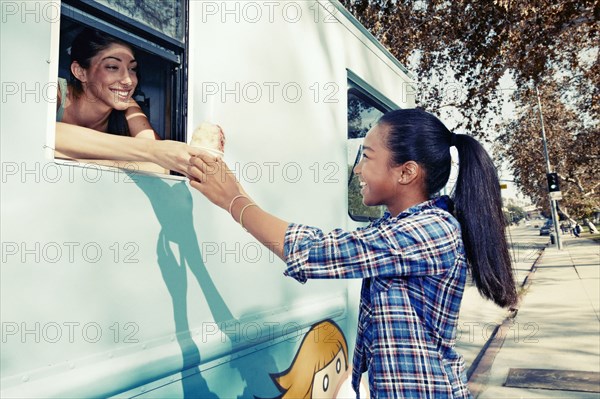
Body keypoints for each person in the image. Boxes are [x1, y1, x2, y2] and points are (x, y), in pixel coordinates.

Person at [188, 108, 518, 398]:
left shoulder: (430, 231)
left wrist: (232, 199)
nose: (358, 169)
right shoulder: (396, 226)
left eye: (367, 157)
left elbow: (316, 250)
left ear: (406, 172)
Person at [55, 28, 200, 175]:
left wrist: (80, 162)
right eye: (112, 67)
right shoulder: (56, 92)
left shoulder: (127, 105)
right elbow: (44, 133)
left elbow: (160, 167)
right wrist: (149, 151)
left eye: (132, 69)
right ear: (80, 71)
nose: (128, 80)